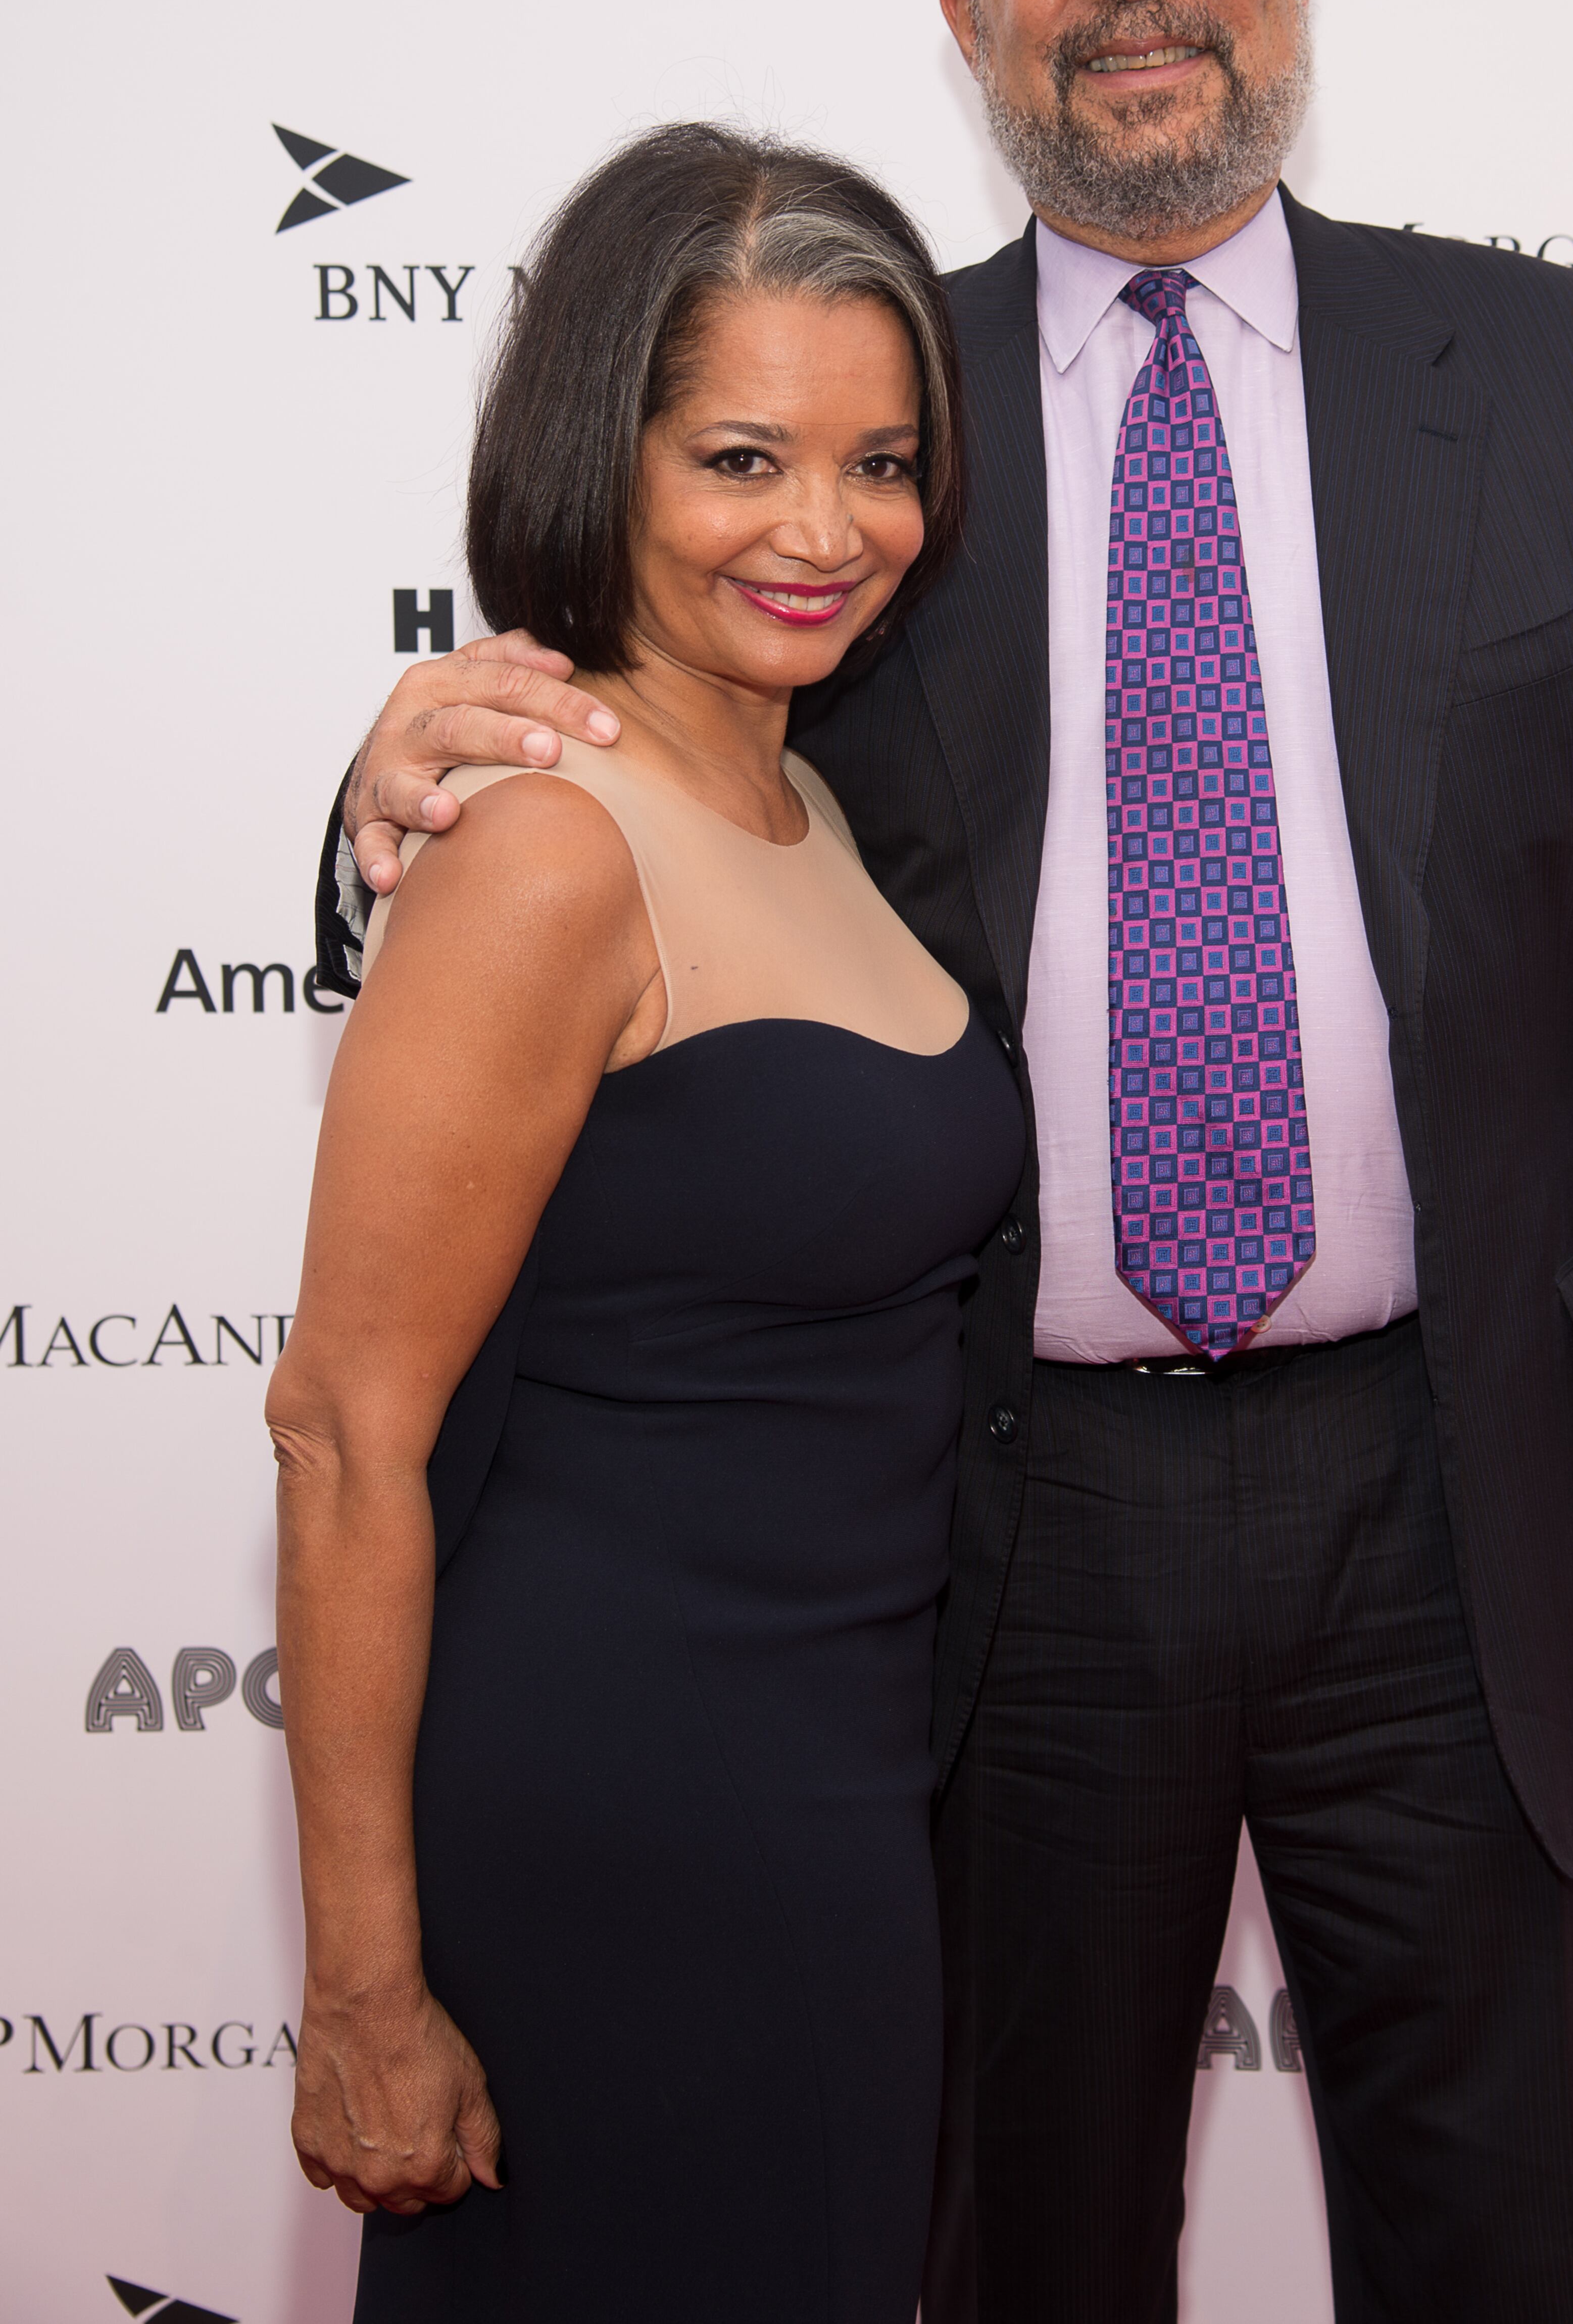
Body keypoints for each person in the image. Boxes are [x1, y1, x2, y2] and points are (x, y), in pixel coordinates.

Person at [319, 0, 1573, 2323]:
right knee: (1016, 2255)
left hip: (1459, 1501)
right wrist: (381, 775)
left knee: (1524, 2255)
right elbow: (636, 781)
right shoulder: (859, 411)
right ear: (963, 3)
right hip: (1004, 1528)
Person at [270, 125, 1025, 2323]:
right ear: (601, 453)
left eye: (882, 460)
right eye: (741, 455)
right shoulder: (549, 843)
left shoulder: (809, 791)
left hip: (833, 1797)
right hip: (620, 1813)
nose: (825, 527)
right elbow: (343, 1432)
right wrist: (364, 1986)